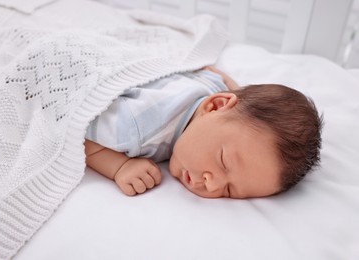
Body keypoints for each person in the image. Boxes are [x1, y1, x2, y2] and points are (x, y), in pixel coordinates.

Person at [84, 66, 323, 199]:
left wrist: (241, 95)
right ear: (215, 105)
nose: (211, 184)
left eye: (229, 191)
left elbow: (214, 73)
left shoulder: (216, 94)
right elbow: (77, 128)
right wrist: (119, 167)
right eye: (223, 161)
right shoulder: (137, 127)